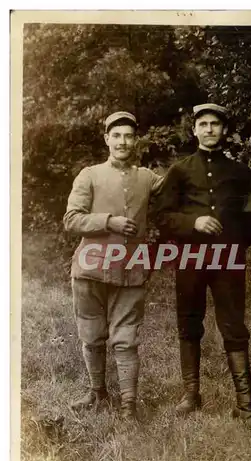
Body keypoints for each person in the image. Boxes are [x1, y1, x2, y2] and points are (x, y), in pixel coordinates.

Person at [155, 103, 251, 422]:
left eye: (216, 124)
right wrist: (194, 223)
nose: (210, 129)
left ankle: (245, 406)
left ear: (224, 130)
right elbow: (162, 216)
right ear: (195, 130)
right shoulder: (180, 170)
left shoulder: (241, 172)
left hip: (228, 259)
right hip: (190, 258)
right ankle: (191, 395)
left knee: (233, 324)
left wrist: (237, 244)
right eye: (203, 124)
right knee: (189, 321)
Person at [63, 111, 162, 418]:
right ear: (107, 139)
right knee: (92, 335)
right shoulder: (89, 174)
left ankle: (128, 405)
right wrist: (110, 222)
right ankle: (97, 394)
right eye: (116, 135)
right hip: (90, 270)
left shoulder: (147, 177)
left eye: (128, 136)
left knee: (126, 337)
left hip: (131, 268)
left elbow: (178, 188)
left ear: (136, 140)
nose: (122, 141)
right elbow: (71, 219)